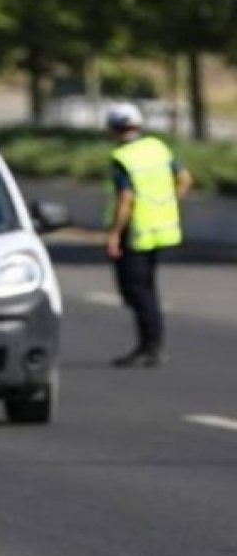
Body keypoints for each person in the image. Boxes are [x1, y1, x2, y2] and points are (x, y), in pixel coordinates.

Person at [103, 103, 193, 368]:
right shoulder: (157, 147)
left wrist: (114, 234)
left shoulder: (123, 157)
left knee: (136, 291)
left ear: (113, 129)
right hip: (160, 228)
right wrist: (167, 205)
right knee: (147, 289)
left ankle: (150, 345)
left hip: (136, 231)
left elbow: (125, 198)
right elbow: (185, 179)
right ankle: (149, 344)